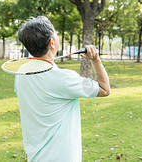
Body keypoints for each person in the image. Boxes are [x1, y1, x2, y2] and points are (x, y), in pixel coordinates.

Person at [15, 16, 110, 161]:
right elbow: (104, 89)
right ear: (52, 42)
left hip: (35, 157)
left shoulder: (21, 74)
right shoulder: (64, 78)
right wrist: (95, 60)